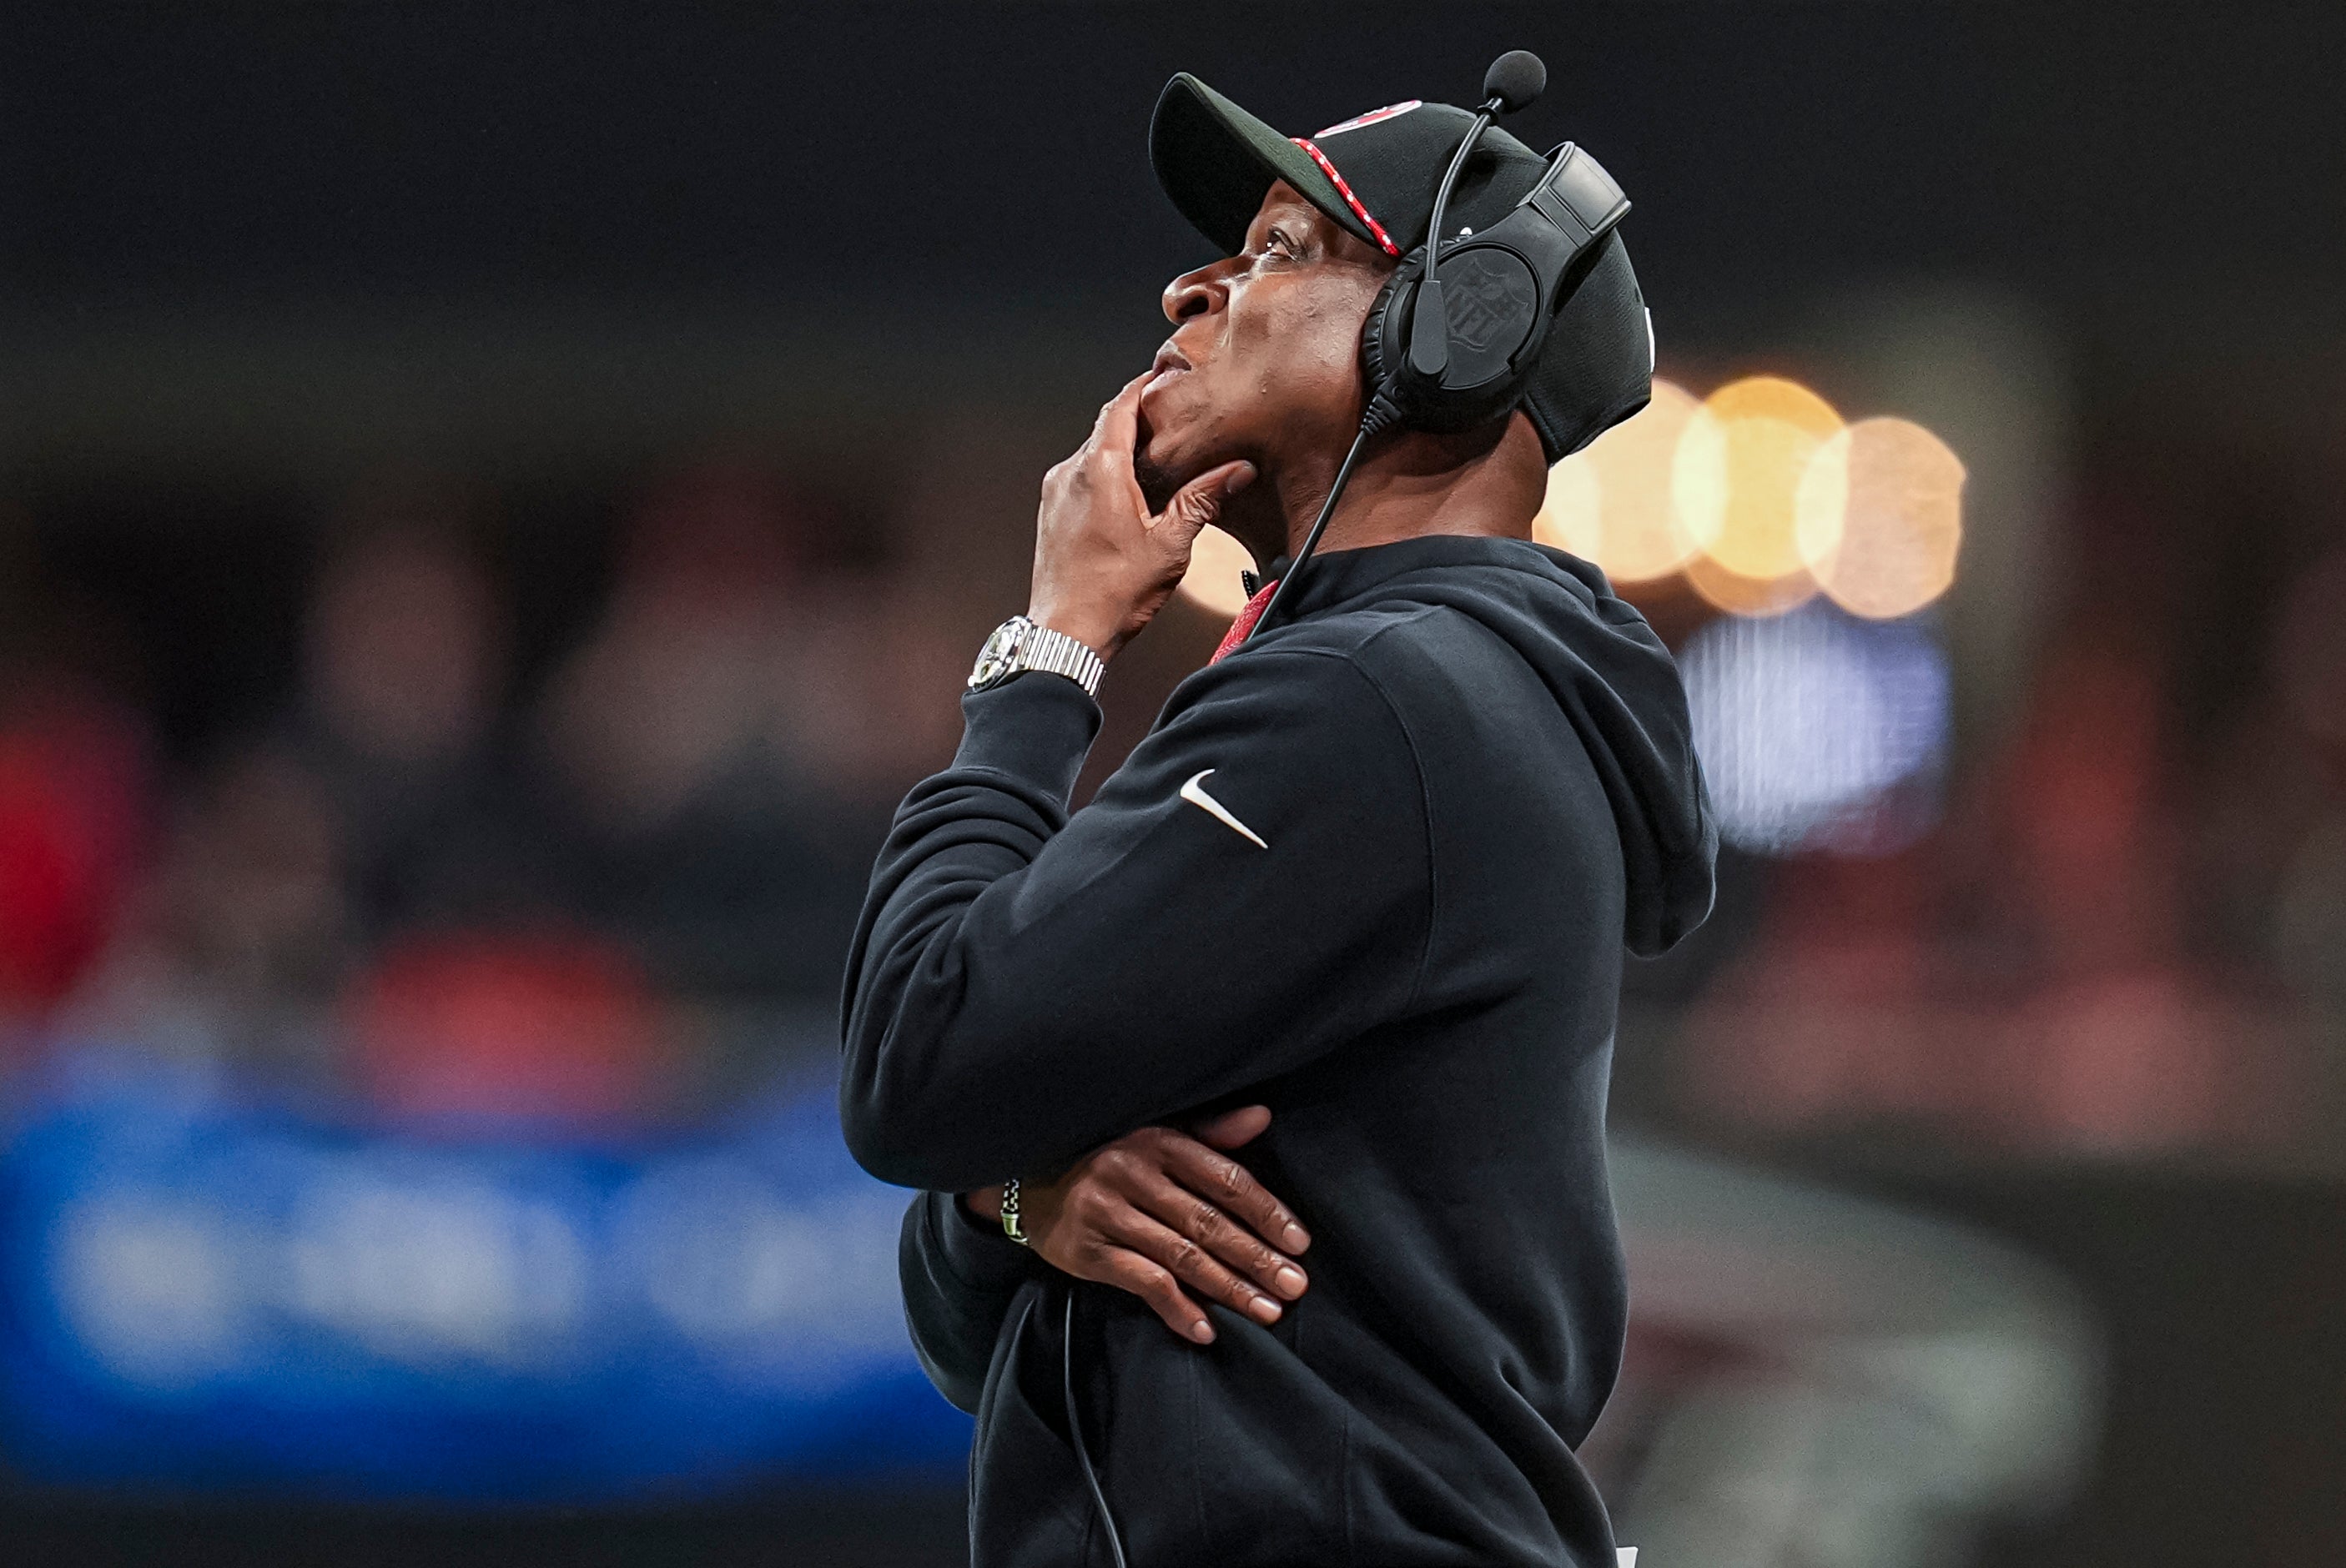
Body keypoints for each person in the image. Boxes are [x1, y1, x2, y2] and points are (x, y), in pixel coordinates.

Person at [841, 68, 1715, 1568]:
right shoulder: (1392, 689)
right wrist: (1019, 1191)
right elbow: (973, 1311)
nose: (1193, 288)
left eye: (1283, 251)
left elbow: (916, 1055)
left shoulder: (1379, 699)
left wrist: (1048, 651)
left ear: (1461, 328)